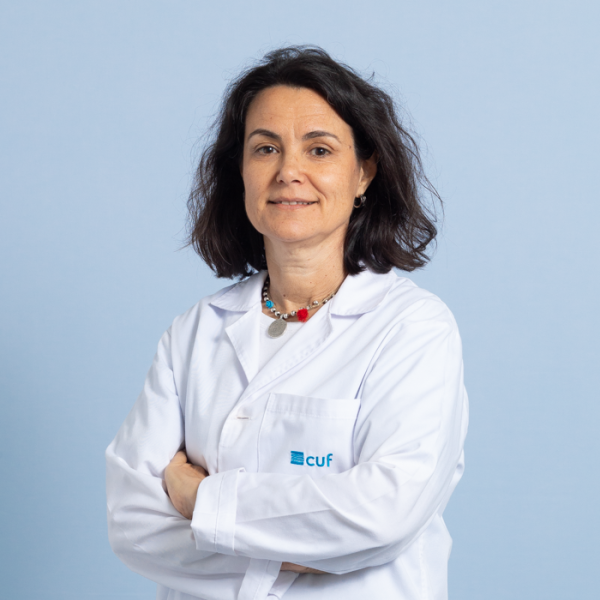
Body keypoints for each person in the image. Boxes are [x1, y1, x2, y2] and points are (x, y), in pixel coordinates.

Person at [106, 46, 468, 600]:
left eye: (319, 149)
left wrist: (200, 501)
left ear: (364, 172)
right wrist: (305, 552)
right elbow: (132, 523)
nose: (288, 172)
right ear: (241, 171)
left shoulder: (412, 329)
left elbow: (383, 512)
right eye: (265, 148)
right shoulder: (195, 332)